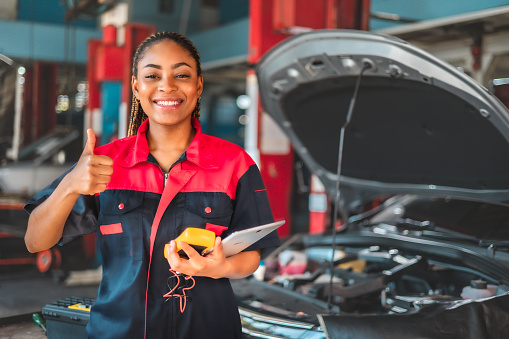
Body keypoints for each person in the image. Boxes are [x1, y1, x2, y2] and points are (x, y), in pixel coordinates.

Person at [24, 31, 280, 339]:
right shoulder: (104, 163)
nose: (167, 86)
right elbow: (35, 241)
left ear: (198, 85)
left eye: (181, 75)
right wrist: (70, 185)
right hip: (118, 332)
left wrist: (218, 267)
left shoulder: (234, 164)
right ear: (136, 86)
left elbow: (251, 256)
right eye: (152, 75)